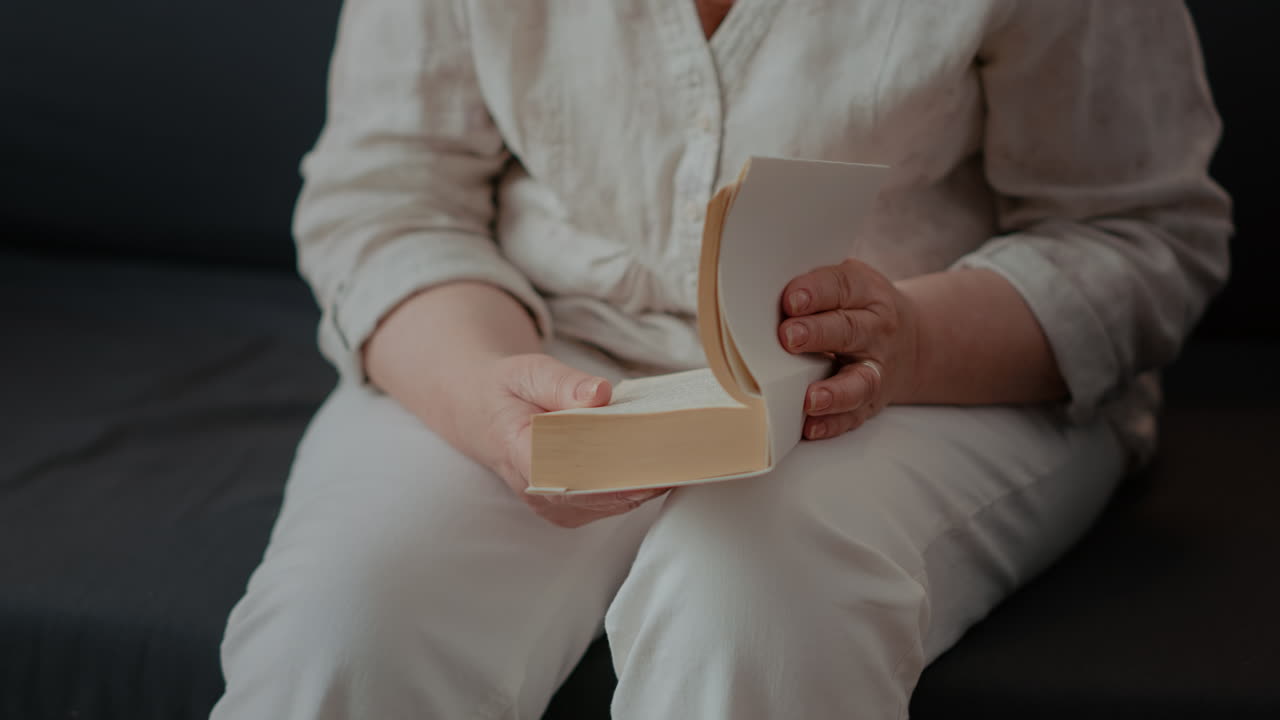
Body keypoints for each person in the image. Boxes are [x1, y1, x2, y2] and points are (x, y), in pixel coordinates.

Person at [211, 1, 1231, 717]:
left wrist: (909, 338)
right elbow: (388, 195)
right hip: (529, 331)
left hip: (931, 363)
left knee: (751, 610)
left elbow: (1142, 234)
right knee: (343, 634)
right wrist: (482, 392)